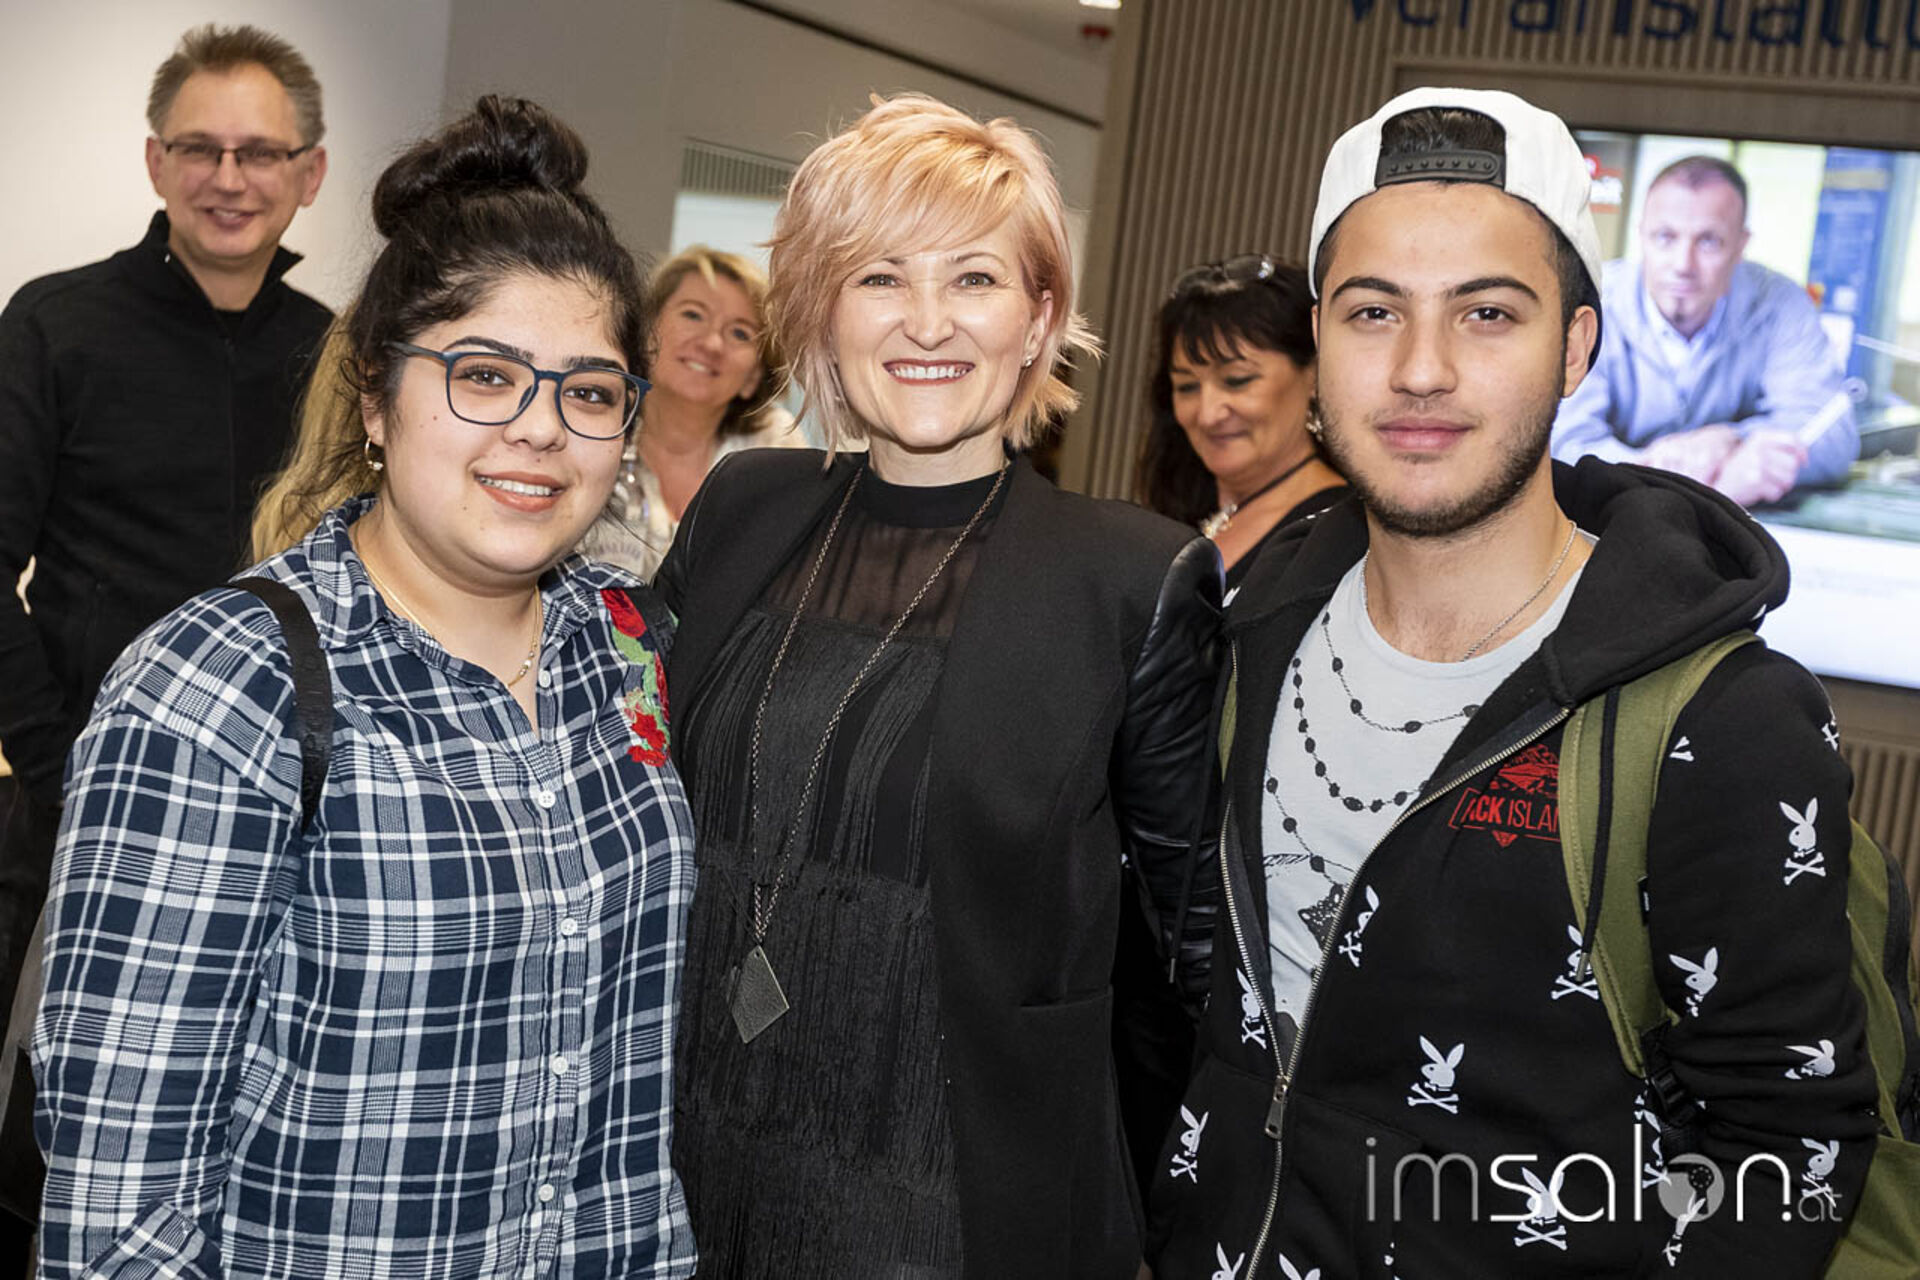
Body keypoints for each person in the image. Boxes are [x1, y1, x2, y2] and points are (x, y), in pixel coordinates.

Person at [1149, 88, 1876, 1278]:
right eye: (1375, 311)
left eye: (1487, 312)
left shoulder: (1720, 714)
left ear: (1577, 347)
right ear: (1321, 340)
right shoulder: (1245, 632)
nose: (1421, 369)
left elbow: (1785, 1151)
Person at [34, 96, 696, 1279]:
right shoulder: (223, 686)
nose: (541, 430)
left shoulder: (626, 643)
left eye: (591, 392)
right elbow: (120, 1213)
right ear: (377, 398)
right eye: (484, 375)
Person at [656, 93, 1220, 1278]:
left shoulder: (1129, 575)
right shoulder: (743, 506)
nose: (926, 321)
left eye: (973, 278)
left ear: (1038, 316)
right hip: (683, 1151)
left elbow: (1191, 950)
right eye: (880, 277)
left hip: (946, 1191)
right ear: (824, 308)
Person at [0, 21, 330, 1244]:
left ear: (310, 172)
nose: (228, 178)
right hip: (75, 811)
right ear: (155, 161)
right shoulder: (55, 325)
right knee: (51, 1142)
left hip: (288, 817)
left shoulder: (335, 357)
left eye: (259, 152)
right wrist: (60, 762)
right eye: (200, 148)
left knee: (243, 1126)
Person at [1551, 155, 1858, 506]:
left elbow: (1832, 434)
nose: (1683, 264)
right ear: (1642, 236)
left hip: (1740, 528)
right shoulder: (1590, 303)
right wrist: (1664, 472)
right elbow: (1560, 442)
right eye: (1665, 237)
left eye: (1709, 241)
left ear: (1741, 245)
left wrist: (1730, 440)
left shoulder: (1781, 304)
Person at [580, 246, 803, 579]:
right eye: (693, 315)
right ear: (647, 332)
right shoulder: (593, 426)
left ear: (753, 377)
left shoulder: (774, 448)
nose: (712, 343)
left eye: (739, 332)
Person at [1137, 255, 1346, 590]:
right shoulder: (1177, 514)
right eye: (1187, 386)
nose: (1208, 414)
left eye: (1237, 381)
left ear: (1314, 375)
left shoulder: (1339, 533)